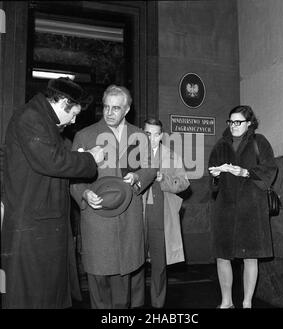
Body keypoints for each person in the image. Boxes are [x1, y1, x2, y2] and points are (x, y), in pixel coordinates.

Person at [1, 77, 105, 309]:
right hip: (33, 223)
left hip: (41, 220)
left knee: (44, 291)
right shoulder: (31, 117)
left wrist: (75, 156)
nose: (74, 120)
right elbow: (51, 161)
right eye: (74, 113)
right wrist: (90, 158)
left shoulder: (41, 119)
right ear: (62, 103)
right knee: (33, 292)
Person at [70, 85, 157, 309]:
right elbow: (74, 179)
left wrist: (137, 177)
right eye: (106, 107)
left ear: (127, 110)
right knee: (98, 282)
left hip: (128, 216)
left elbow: (150, 169)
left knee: (124, 282)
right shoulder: (85, 135)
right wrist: (85, 194)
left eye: (116, 108)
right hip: (98, 217)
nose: (109, 112)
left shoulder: (139, 136)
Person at [208, 105, 278, 309]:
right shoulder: (220, 146)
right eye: (231, 122)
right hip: (225, 207)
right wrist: (215, 175)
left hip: (252, 208)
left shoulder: (260, 142)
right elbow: (212, 183)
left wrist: (245, 172)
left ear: (249, 123)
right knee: (222, 255)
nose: (233, 126)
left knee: (250, 257)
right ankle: (226, 301)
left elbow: (270, 169)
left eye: (238, 122)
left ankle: (247, 302)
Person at [131, 118, 190, 308]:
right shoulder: (133, 155)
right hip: (136, 213)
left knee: (159, 263)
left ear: (162, 135)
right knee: (136, 261)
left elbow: (184, 184)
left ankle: (158, 304)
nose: (152, 138)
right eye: (148, 134)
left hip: (161, 214)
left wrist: (164, 177)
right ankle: (136, 303)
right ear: (142, 133)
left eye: (156, 134)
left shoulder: (172, 156)